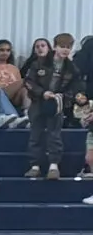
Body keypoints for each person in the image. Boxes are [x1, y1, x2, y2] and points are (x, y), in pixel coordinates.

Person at [23, 36, 77, 179]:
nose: (65, 49)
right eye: (62, 46)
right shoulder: (38, 63)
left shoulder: (72, 68)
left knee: (54, 135)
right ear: (54, 47)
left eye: (68, 47)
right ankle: (35, 166)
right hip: (38, 102)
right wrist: (42, 93)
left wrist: (63, 98)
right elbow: (28, 82)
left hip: (57, 104)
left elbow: (75, 88)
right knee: (36, 134)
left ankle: (54, 166)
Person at [0, 39, 29, 122]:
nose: (5, 53)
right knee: (25, 80)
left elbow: (18, 86)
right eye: (2, 50)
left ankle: (27, 114)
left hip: (12, 97)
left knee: (25, 90)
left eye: (8, 50)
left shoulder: (14, 68)